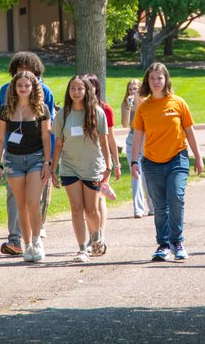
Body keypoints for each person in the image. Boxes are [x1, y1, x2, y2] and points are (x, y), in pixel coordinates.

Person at [130, 62, 204, 262]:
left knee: (176, 198)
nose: (156, 82)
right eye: (152, 78)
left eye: (159, 78)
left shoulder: (178, 103)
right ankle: (163, 244)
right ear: (148, 81)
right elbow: (138, 135)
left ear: (166, 80)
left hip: (177, 158)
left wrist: (198, 157)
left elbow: (189, 130)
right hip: (152, 162)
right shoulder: (144, 107)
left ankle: (177, 242)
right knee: (160, 205)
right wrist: (134, 162)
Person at [0, 52, 56, 256]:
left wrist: (49, 162)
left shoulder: (43, 102)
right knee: (20, 204)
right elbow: (0, 136)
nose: (23, 79)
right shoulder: (5, 101)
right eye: (20, 69)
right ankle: (22, 242)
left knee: (33, 202)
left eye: (28, 70)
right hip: (13, 158)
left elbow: (48, 135)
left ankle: (37, 242)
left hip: (37, 157)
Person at [53, 76, 113, 261]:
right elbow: (58, 144)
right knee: (76, 208)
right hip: (69, 167)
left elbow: (104, 141)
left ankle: (96, 236)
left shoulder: (97, 113)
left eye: (80, 89)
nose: (76, 92)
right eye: (72, 89)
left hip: (91, 167)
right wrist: (53, 169)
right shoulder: (63, 114)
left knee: (91, 209)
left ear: (87, 91)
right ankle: (81, 248)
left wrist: (109, 165)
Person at [82, 73, 121, 253]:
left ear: (97, 87)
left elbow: (111, 138)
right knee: (87, 203)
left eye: (91, 86)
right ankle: (92, 235)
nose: (89, 90)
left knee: (98, 200)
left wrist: (115, 163)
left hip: (100, 160)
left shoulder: (105, 109)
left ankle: (98, 236)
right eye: (85, 86)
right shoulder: (77, 109)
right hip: (83, 161)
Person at [120, 79, 149, 218]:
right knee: (135, 174)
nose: (132, 91)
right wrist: (128, 108)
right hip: (132, 139)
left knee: (147, 174)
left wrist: (137, 107)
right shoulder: (126, 103)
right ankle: (138, 209)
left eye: (135, 89)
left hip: (146, 140)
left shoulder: (147, 103)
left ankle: (153, 205)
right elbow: (125, 124)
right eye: (130, 89)